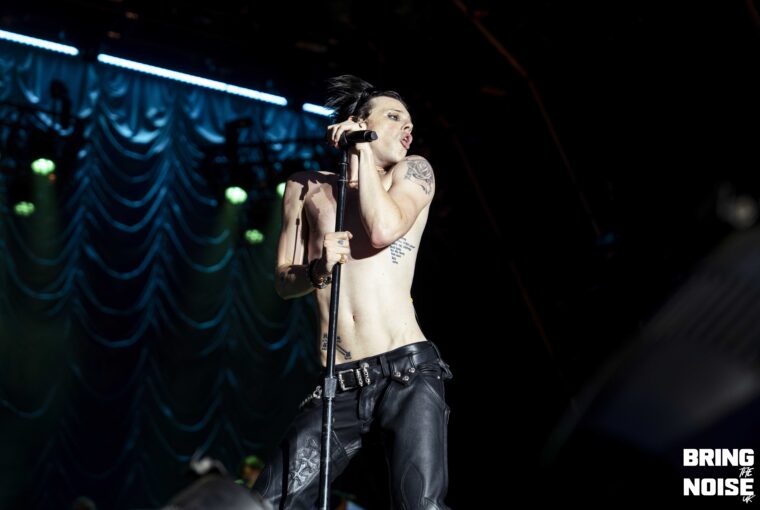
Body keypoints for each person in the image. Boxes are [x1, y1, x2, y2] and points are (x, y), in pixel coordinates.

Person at [251, 75, 453, 509]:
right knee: (269, 502)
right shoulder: (305, 187)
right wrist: (319, 269)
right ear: (358, 121)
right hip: (338, 384)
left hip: (407, 372)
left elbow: (382, 229)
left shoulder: (413, 173)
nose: (406, 128)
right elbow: (284, 283)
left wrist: (362, 152)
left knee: (420, 505)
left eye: (410, 123)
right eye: (393, 117)